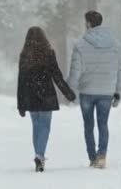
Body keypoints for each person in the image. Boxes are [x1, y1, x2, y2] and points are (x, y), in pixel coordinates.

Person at [68, 11, 121, 169]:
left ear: (88, 23)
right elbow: (120, 70)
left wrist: (70, 89)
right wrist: (118, 91)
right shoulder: (116, 45)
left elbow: (75, 71)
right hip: (106, 91)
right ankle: (102, 156)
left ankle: (92, 157)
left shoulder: (80, 45)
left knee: (88, 125)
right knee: (103, 124)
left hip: (87, 91)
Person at [17, 26, 76, 172]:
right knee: (44, 127)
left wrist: (21, 104)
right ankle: (40, 155)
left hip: (31, 96)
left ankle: (38, 155)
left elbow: (21, 80)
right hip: (46, 95)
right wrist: (68, 93)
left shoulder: (25, 55)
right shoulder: (49, 53)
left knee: (36, 127)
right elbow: (57, 76)